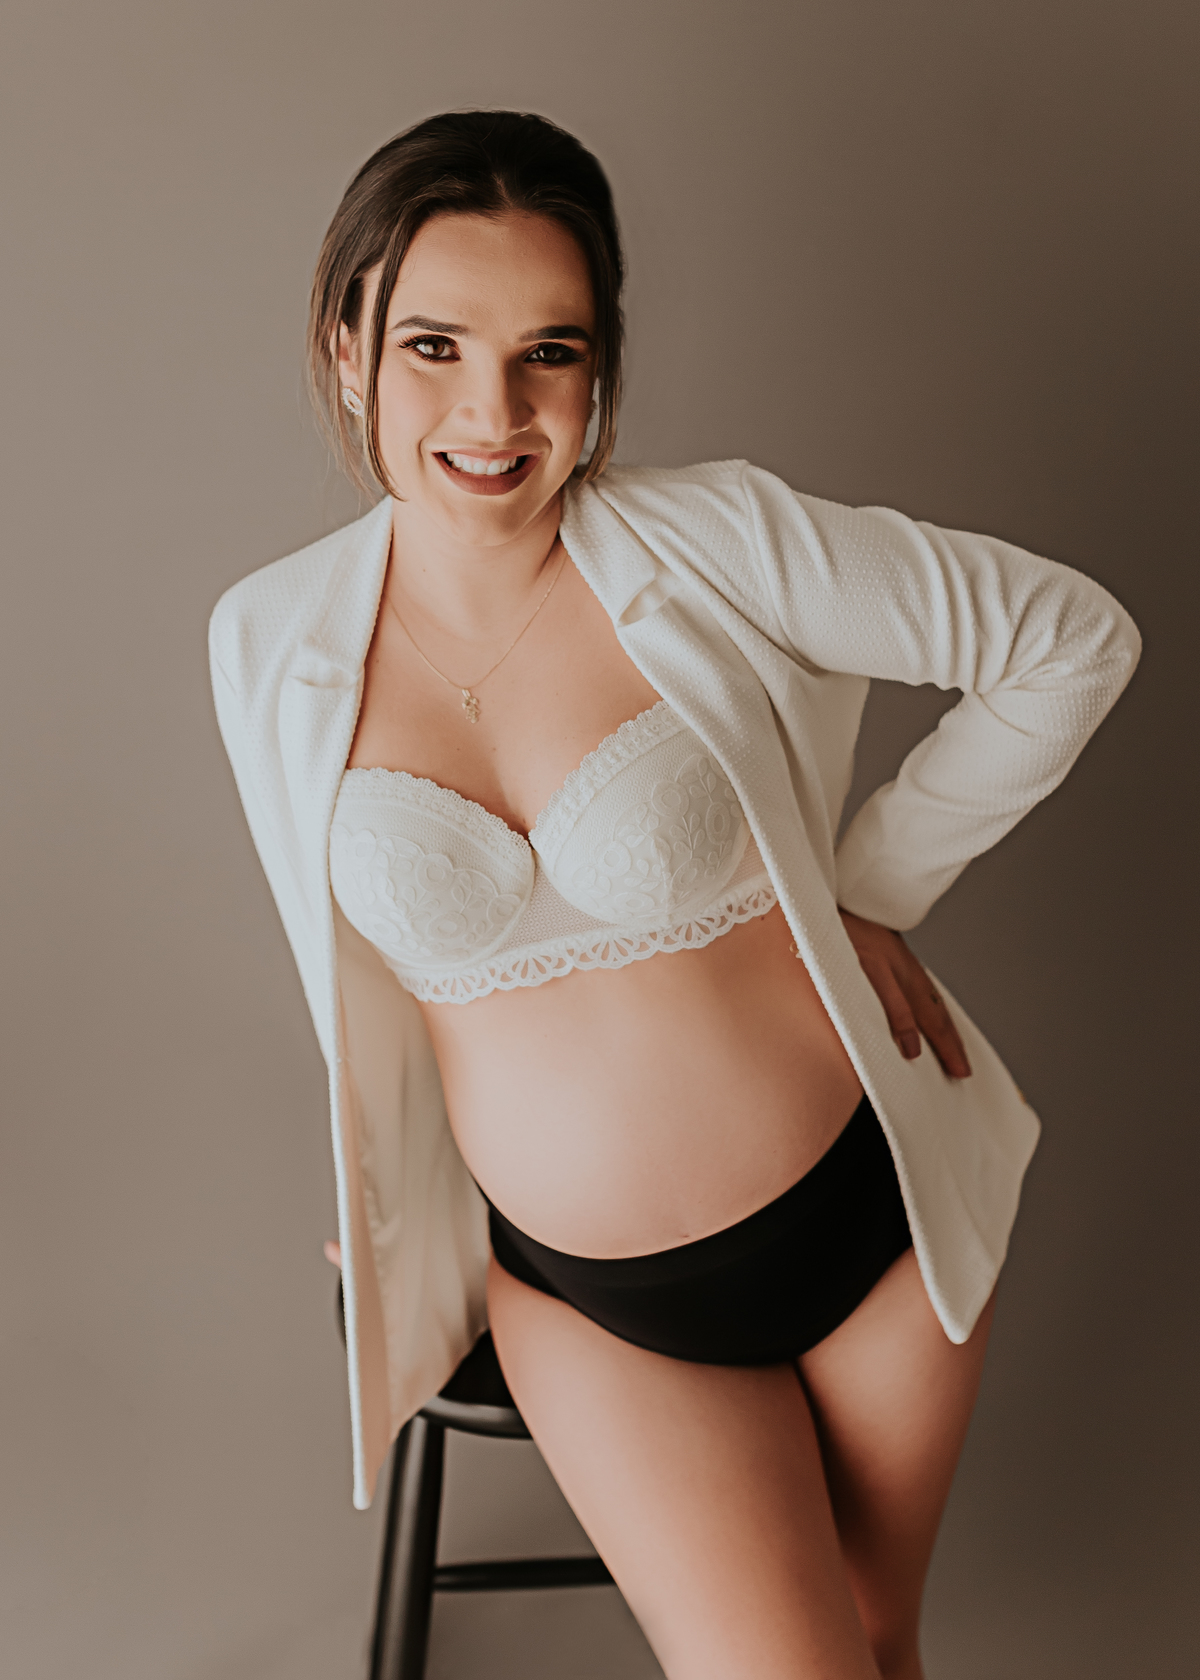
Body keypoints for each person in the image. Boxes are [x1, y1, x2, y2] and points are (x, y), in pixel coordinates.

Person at [209, 110, 1140, 1679]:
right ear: (347, 348)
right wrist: (383, 1197)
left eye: (550, 353)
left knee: (878, 1643)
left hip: (867, 1213)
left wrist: (872, 888)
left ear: (602, 370)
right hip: (592, 1302)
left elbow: (1071, 639)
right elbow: (343, 963)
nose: (494, 412)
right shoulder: (267, 641)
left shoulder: (716, 541)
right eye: (435, 346)